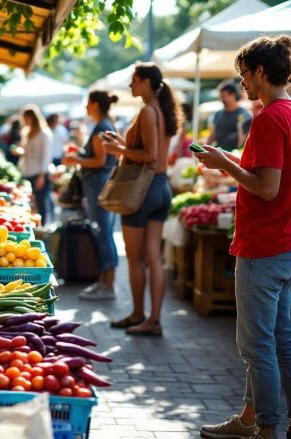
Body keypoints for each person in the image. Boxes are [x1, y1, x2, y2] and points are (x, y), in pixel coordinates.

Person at [197, 35, 291, 439]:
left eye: (245, 76)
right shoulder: (287, 113)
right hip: (284, 244)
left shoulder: (269, 117)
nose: (243, 85)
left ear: (261, 72)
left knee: (257, 348)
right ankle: (251, 419)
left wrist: (224, 163)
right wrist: (231, 162)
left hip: (263, 245)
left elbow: (267, 188)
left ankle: (266, 429)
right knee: (281, 343)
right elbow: (271, 178)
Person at [100, 63, 181, 336]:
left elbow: (151, 156)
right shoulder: (164, 110)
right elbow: (154, 152)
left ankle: (139, 314)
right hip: (161, 188)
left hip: (142, 189)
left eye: (134, 81)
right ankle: (153, 319)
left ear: (146, 82)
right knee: (154, 258)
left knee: (135, 259)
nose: (130, 86)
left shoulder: (148, 111)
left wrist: (117, 148)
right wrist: (122, 143)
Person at [62, 91, 119, 300]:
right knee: (104, 233)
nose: (86, 107)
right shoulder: (105, 124)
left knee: (104, 234)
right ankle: (104, 281)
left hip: (99, 187)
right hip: (101, 186)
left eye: (88, 103)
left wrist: (75, 160)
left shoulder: (101, 127)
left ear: (95, 104)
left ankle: (107, 285)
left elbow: (100, 162)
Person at [14, 105, 53, 224]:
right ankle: (35, 225)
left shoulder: (43, 134)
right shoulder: (27, 132)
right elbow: (27, 152)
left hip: (39, 173)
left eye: (26, 118)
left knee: (41, 202)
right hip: (27, 171)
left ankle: (43, 227)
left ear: (32, 118)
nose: (24, 121)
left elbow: (46, 156)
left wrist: (41, 176)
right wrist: (19, 152)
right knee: (31, 203)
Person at [206, 82, 253, 150]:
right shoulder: (218, 114)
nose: (222, 99)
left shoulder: (244, 114)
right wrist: (206, 148)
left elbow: (245, 136)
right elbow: (213, 134)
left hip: (236, 153)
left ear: (232, 95)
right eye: (221, 96)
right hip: (219, 150)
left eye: (224, 96)